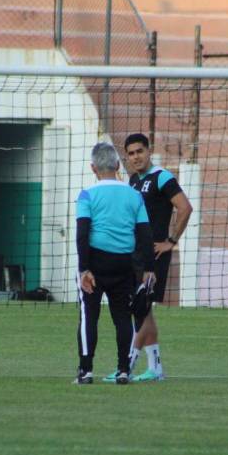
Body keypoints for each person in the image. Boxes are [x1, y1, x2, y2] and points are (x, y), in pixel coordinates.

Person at [111, 133, 193, 382]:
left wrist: (171, 242)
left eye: (140, 151)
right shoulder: (134, 180)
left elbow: (185, 207)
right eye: (131, 153)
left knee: (140, 307)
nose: (136, 156)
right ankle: (155, 368)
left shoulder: (163, 177)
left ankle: (127, 365)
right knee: (145, 312)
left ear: (149, 151)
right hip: (136, 255)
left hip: (154, 255)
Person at [74, 142, 156, 385]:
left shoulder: (87, 195)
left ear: (93, 168)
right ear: (118, 165)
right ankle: (123, 370)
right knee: (122, 317)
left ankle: (85, 371)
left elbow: (82, 233)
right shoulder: (134, 195)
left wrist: (84, 269)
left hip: (96, 262)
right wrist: (148, 269)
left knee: (89, 315)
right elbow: (145, 234)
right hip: (124, 264)